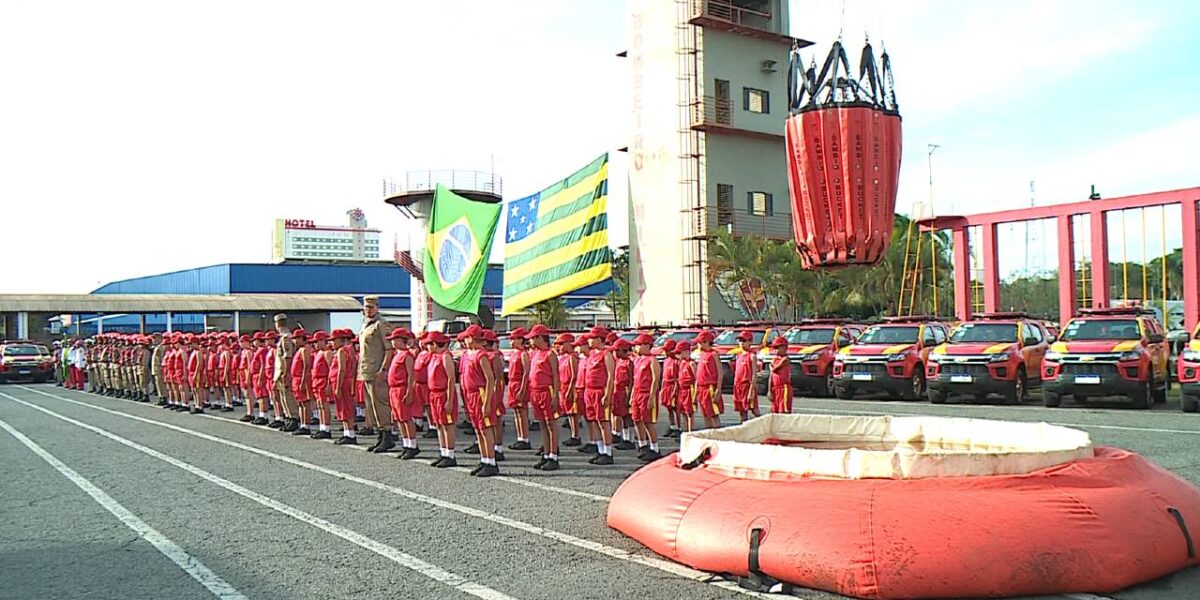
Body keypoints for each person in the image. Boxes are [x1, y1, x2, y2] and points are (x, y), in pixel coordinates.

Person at [357, 296, 396, 453]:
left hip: (377, 371)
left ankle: (387, 435)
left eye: (371, 307)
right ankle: (380, 435)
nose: (368, 310)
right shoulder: (366, 324)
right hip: (366, 371)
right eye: (366, 307)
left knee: (381, 405)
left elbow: (389, 349)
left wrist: (384, 369)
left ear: (377, 307)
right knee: (371, 406)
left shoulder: (381, 324)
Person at [525, 324, 562, 470]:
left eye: (533, 338)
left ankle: (554, 455)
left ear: (541, 338)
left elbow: (555, 375)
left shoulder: (550, 354)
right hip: (536, 392)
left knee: (551, 424)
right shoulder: (534, 354)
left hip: (547, 391)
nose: (531, 341)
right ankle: (546, 454)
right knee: (542, 424)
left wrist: (555, 396)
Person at [582, 327, 616, 465]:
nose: (589, 340)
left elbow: (610, 376)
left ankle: (608, 452)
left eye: (591, 338)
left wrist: (607, 394)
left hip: (600, 391)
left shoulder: (606, 354)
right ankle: (600, 449)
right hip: (589, 391)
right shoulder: (591, 354)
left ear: (598, 339)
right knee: (594, 421)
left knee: (603, 422)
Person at [426, 331, 459, 467]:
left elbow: (451, 379)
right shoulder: (434, 356)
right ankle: (443, 451)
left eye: (429, 343)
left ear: (435, 344)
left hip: (443, 394)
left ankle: (450, 454)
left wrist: (449, 400)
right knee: (439, 424)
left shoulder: (445, 357)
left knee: (447, 424)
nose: (427, 346)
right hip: (434, 394)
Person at [386, 328, 420, 459]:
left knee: (406, 418)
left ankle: (412, 445)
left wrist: (409, 391)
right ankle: (406, 444)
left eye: (395, 340)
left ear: (402, 340)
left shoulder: (407, 355)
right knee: (399, 418)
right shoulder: (397, 354)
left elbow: (411, 375)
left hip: (402, 388)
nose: (393, 342)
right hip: (393, 389)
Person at [630, 333, 662, 461]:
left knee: (648, 421)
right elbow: (635, 379)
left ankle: (655, 448)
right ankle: (642, 444)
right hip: (637, 393)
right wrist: (632, 395)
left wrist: (651, 397)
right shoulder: (637, 360)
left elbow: (655, 379)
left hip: (646, 393)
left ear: (646, 345)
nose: (636, 348)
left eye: (638, 345)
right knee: (637, 420)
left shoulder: (652, 360)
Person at [272, 314, 302, 432]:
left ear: (278, 324)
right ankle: (289, 417)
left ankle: (293, 418)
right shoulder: (283, 337)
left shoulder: (286, 338)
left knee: (288, 396)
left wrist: (287, 373)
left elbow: (287, 357)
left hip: (283, 371)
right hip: (280, 371)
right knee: (283, 396)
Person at [504, 328, 532, 451]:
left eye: (513, 339)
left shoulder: (523, 354)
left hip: (519, 383)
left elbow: (526, 372)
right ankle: (520, 437)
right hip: (512, 383)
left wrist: (522, 389)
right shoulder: (514, 353)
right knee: (516, 413)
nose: (511, 341)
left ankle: (525, 438)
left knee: (522, 412)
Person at [553, 333, 582, 447]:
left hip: (571, 386)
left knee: (573, 412)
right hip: (564, 386)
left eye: (561, 344)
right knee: (569, 412)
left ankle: (576, 435)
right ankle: (573, 434)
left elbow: (574, 375)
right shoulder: (563, 358)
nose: (559, 347)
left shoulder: (572, 357)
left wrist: (570, 389)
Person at [330, 329, 358, 445]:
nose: (332, 343)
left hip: (342, 381)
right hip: (345, 381)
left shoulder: (342, 351)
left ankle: (350, 433)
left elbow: (341, 370)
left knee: (345, 407)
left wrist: (338, 386)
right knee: (344, 407)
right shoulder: (349, 350)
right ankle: (347, 432)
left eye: (334, 340)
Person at [694, 330, 724, 430]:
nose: (698, 345)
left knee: (714, 414)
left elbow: (720, 372)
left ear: (706, 342)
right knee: (705, 414)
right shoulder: (702, 354)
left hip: (710, 387)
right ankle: (709, 434)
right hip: (702, 388)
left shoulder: (713, 354)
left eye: (700, 342)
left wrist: (718, 389)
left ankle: (717, 435)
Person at [610, 339, 636, 450]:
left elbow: (631, 380)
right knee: (621, 415)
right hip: (618, 390)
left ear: (621, 350)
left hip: (625, 390)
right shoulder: (618, 361)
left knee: (627, 416)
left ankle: (631, 439)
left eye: (616, 350)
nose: (614, 353)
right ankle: (625, 438)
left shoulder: (629, 362)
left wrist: (629, 395)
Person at [308, 330, 334, 439]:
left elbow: (330, 369)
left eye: (318, 341)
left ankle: (326, 428)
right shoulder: (318, 353)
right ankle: (322, 426)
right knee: (319, 405)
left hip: (323, 380)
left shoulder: (327, 353)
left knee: (324, 405)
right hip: (317, 381)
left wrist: (329, 384)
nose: (315, 344)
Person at [731, 331, 760, 423]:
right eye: (740, 340)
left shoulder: (752, 356)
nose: (741, 343)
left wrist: (751, 390)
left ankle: (763, 426)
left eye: (744, 340)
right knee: (742, 411)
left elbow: (754, 374)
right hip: (738, 386)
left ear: (750, 342)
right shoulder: (738, 356)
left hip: (747, 386)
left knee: (754, 410)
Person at [289, 328, 313, 435]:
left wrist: (303, 382)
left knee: (305, 403)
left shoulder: (305, 349)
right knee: (300, 403)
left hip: (301, 378)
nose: (295, 341)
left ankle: (306, 425)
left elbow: (306, 366)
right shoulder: (299, 350)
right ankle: (302, 423)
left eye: (296, 338)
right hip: (296, 379)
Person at [413, 333, 437, 440]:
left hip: (426, 384)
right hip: (419, 383)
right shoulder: (421, 353)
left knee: (429, 406)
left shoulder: (431, 354)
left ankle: (433, 426)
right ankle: (422, 424)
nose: (422, 343)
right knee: (422, 406)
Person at [659, 339, 680, 438]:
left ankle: (678, 427)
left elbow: (677, 378)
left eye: (668, 350)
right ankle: (672, 426)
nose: (666, 352)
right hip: (666, 385)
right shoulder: (666, 360)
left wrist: (675, 390)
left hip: (673, 385)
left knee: (676, 408)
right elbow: (664, 376)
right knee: (669, 408)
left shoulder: (677, 362)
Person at [675, 341, 696, 433]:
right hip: (681, 390)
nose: (678, 355)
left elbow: (696, 379)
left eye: (680, 352)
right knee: (682, 411)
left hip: (689, 389)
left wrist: (695, 394)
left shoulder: (691, 363)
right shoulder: (681, 363)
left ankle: (691, 431)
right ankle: (686, 430)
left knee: (689, 412)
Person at [768, 336, 793, 414]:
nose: (775, 350)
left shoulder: (786, 359)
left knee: (784, 411)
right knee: (775, 411)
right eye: (774, 348)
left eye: (777, 347)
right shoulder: (774, 359)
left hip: (784, 388)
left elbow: (774, 369)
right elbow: (771, 375)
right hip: (775, 388)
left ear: (784, 347)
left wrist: (771, 367)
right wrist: (769, 390)